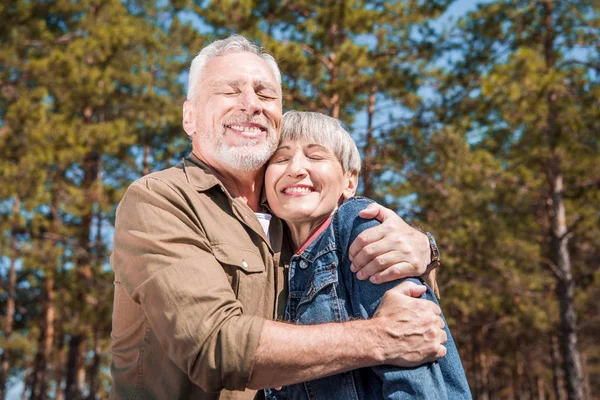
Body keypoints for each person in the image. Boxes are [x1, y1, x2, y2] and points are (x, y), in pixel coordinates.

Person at [110, 35, 446, 400]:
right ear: (189, 116)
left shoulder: (299, 217)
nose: (251, 104)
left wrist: (424, 250)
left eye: (265, 94)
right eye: (230, 91)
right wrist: (380, 337)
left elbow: (409, 317)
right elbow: (214, 346)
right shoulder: (160, 199)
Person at [262, 111, 471, 399]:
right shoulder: (274, 259)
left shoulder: (359, 226)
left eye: (316, 156)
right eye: (280, 159)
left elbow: (412, 369)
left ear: (350, 181)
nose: (295, 168)